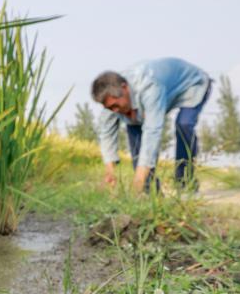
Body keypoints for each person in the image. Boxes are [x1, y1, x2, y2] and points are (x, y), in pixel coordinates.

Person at [91, 58, 212, 193]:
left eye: (115, 106)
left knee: (183, 124)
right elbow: (106, 131)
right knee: (133, 122)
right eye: (109, 108)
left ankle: (185, 182)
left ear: (124, 88)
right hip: (156, 93)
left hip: (193, 84)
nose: (113, 111)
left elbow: (152, 132)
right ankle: (151, 193)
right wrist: (110, 169)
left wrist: (139, 178)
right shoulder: (112, 98)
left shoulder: (149, 87)